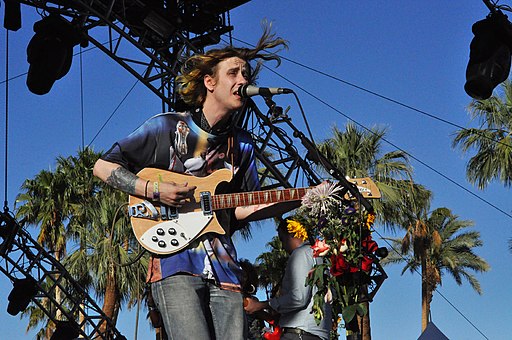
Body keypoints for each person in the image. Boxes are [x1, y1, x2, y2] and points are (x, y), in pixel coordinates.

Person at [93, 26, 297, 340]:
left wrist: (302, 198)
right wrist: (154, 190)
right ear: (209, 82)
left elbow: (242, 209)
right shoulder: (166, 126)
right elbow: (103, 166)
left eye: (245, 74)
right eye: (233, 73)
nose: (243, 80)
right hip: (174, 262)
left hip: (226, 269)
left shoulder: (241, 144)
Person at [244, 218, 332, 340]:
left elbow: (298, 298)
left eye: (282, 239)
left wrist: (261, 305)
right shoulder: (319, 257)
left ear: (292, 234)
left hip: (300, 333)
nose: (283, 246)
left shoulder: (301, 254)